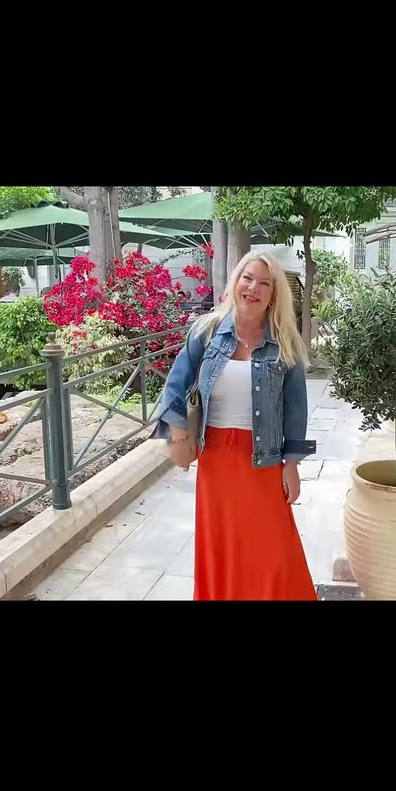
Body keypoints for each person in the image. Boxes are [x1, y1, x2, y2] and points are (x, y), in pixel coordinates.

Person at [156, 252, 318, 601]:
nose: (253, 288)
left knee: (274, 551)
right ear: (235, 282)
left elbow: (296, 410)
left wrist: (291, 465)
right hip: (217, 462)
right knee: (223, 549)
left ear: (274, 294)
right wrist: (180, 436)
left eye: (264, 283)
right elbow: (175, 385)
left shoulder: (285, 343)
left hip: (264, 461)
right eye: (248, 278)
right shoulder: (207, 331)